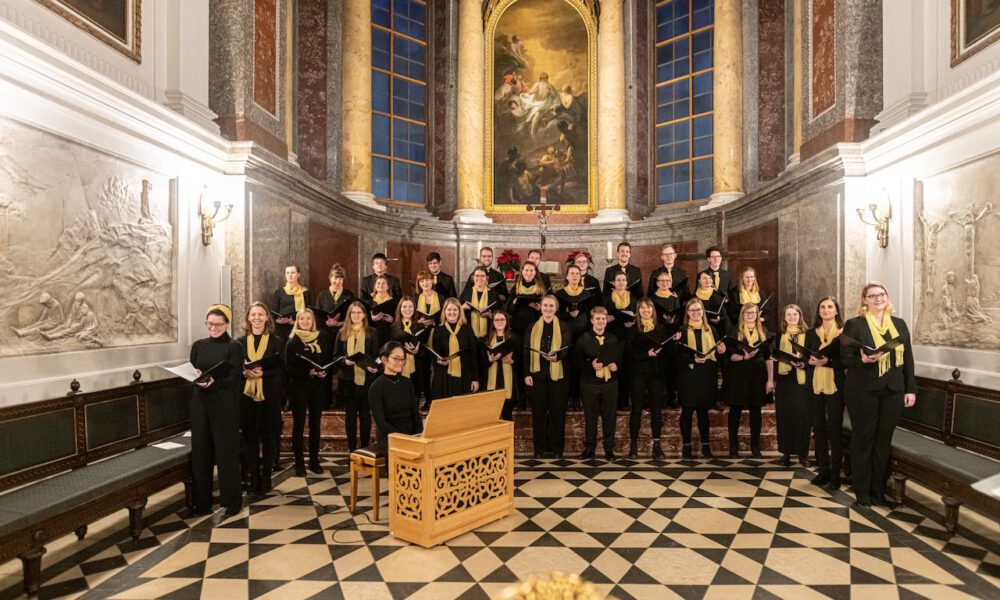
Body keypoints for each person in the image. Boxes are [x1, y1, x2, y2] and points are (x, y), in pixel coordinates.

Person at [841, 283, 916, 509]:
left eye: (881, 295)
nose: (877, 299)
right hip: (862, 390)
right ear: (864, 300)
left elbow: (909, 359)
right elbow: (844, 358)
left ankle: (878, 490)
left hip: (893, 390)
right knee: (863, 439)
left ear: (887, 297)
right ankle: (862, 492)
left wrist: (910, 388)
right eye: (872, 296)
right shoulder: (855, 324)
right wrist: (861, 360)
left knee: (883, 441)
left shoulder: (899, 324)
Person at [189, 304, 243, 516]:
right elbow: (192, 369)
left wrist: (214, 382)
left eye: (218, 324)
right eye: (210, 324)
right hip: (200, 403)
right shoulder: (198, 345)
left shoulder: (234, 346)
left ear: (227, 324)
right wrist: (198, 379)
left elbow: (234, 377)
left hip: (223, 404)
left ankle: (231, 502)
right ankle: (202, 503)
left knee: (225, 453)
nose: (213, 327)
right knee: (201, 452)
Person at [237, 302, 286, 494]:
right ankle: (253, 478)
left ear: (267, 318)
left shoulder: (276, 341)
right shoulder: (239, 343)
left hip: (269, 397)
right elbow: (234, 368)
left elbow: (281, 368)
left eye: (260, 315)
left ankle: (266, 477)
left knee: (269, 438)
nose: (257, 318)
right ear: (248, 318)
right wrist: (245, 373)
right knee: (249, 438)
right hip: (247, 397)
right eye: (253, 315)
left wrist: (262, 373)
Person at [672, 298, 726, 459]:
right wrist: (692, 359)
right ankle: (687, 445)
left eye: (698, 310)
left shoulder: (712, 330)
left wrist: (722, 351)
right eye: (692, 310)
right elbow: (675, 358)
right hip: (687, 375)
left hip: (707, 375)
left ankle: (705, 445)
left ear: (703, 312)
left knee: (703, 412)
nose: (696, 313)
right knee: (687, 411)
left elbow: (719, 355)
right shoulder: (681, 330)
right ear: (687, 313)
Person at [721, 303, 772, 458]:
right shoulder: (734, 331)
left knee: (756, 411)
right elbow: (729, 355)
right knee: (735, 411)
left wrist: (770, 380)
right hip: (738, 374)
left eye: (753, 313)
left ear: (758, 315)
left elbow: (769, 358)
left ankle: (755, 447)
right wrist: (744, 356)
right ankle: (733, 447)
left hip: (758, 374)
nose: (750, 315)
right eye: (747, 313)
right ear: (742, 314)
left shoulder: (763, 331)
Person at [285, 308, 332, 475]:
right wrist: (308, 373)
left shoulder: (321, 339)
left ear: (313, 321)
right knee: (298, 426)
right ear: (298, 321)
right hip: (299, 388)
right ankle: (299, 464)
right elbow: (289, 368)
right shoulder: (293, 341)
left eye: (308, 319)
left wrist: (324, 371)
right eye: (302, 319)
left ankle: (314, 461)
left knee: (315, 425)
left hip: (317, 388)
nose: (306, 322)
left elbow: (326, 360)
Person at [523, 295, 572, 458]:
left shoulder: (564, 326)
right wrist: (526, 373)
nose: (548, 309)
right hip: (537, 375)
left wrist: (557, 356)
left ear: (556, 308)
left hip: (558, 376)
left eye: (551, 306)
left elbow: (566, 347)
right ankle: (539, 449)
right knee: (539, 413)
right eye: (545, 305)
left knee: (558, 412)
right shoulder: (532, 326)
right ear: (540, 307)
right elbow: (526, 350)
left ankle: (557, 449)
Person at [805, 296, 845, 490]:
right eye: (823, 307)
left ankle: (836, 475)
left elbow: (847, 361)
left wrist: (827, 362)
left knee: (835, 430)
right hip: (815, 386)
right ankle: (823, 471)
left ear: (836, 311)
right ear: (819, 311)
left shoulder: (844, 333)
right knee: (819, 429)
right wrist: (809, 361)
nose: (826, 310)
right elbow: (806, 357)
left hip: (836, 387)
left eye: (830, 307)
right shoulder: (811, 333)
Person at [574, 307, 622, 460]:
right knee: (590, 417)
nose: (601, 321)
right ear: (592, 320)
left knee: (610, 417)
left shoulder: (613, 338)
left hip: (610, 383)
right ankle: (589, 449)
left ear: (606, 320)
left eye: (603, 319)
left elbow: (619, 360)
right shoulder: (583, 338)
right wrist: (591, 366)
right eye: (598, 319)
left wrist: (616, 366)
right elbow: (575, 362)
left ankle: (609, 450)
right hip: (589, 383)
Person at [334, 302, 381, 452]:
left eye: (359, 312)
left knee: (366, 416)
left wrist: (375, 367)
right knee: (350, 417)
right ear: (349, 315)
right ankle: (352, 450)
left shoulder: (372, 332)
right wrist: (344, 361)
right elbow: (335, 356)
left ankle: (365, 449)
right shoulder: (342, 332)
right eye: (353, 312)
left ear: (364, 315)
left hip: (367, 379)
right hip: (348, 380)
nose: (356, 315)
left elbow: (377, 356)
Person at [626, 299, 668, 459]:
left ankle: (657, 446)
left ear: (652, 310)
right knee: (636, 409)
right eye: (642, 308)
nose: (645, 310)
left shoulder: (661, 329)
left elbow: (666, 353)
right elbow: (629, 353)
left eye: (648, 307)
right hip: (638, 374)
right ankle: (634, 445)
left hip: (656, 374)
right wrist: (646, 354)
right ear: (638, 311)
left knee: (656, 410)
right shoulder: (633, 330)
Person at [369, 342, 424, 455]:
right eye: (396, 359)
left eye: (403, 359)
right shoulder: (376, 387)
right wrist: (402, 438)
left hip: (411, 435)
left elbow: (415, 412)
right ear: (384, 359)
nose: (400, 363)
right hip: (390, 438)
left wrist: (419, 434)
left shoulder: (407, 382)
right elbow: (381, 422)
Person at [774, 304, 811, 468]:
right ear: (784, 318)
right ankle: (786, 454)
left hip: (802, 380)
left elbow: (812, 356)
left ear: (800, 316)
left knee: (803, 417)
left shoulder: (808, 335)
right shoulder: (779, 335)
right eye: (788, 315)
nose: (791, 318)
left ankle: (803, 454)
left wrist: (804, 364)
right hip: (785, 381)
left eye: (794, 315)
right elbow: (774, 355)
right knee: (785, 417)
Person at [556, 264, 597, 410]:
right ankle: (567, 397)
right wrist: (568, 314)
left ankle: (578, 397)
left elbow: (589, 314)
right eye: (572, 273)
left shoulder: (586, 294)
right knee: (566, 366)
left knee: (580, 365)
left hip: (582, 334)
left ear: (580, 277)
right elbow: (556, 314)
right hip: (565, 334)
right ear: (567, 276)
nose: (574, 276)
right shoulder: (560, 294)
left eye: (577, 274)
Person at [428, 297, 481, 399]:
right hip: (445, 376)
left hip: (465, 375)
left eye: (455, 310)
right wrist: (439, 361)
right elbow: (435, 354)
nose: (452, 312)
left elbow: (474, 355)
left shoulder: (467, 329)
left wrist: (475, 379)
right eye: (449, 309)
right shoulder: (438, 330)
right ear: (444, 312)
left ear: (459, 312)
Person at [483, 310, 521, 421]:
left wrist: (512, 361)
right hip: (491, 377)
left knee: (507, 413)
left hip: (508, 378)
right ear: (493, 322)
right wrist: (489, 360)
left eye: (502, 319)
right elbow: (480, 362)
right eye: (496, 319)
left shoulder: (514, 337)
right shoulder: (487, 339)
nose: (499, 322)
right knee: (491, 415)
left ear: (507, 321)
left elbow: (520, 360)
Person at [389, 296, 423, 394]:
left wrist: (417, 351)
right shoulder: (393, 328)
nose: (407, 309)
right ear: (400, 309)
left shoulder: (420, 327)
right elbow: (388, 348)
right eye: (404, 307)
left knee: (414, 394)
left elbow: (426, 350)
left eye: (410, 307)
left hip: (416, 367)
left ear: (414, 309)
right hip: (397, 367)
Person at [270, 265, 311, 340]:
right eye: (287, 273)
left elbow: (310, 312)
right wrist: (278, 320)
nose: (290, 275)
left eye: (292, 273)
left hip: (300, 327)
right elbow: (273, 312)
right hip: (281, 328)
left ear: (298, 275)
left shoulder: (305, 292)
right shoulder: (279, 292)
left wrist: (295, 322)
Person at [460, 266, 500, 341]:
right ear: (473, 277)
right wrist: (462, 307)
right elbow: (457, 311)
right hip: (469, 333)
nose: (479, 278)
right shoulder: (466, 292)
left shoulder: (493, 294)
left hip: (489, 334)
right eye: (477, 276)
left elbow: (501, 313)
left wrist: (490, 315)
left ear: (487, 277)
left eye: (482, 276)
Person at [506, 261, 545, 335]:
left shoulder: (540, 288)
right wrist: (514, 303)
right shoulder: (516, 288)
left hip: (535, 321)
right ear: (522, 271)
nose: (529, 273)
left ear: (535, 272)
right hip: (518, 322)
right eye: (526, 270)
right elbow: (509, 310)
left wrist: (540, 309)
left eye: (531, 270)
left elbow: (546, 309)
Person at [315, 264, 355, 335]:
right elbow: (316, 316)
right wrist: (326, 323)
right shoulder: (322, 295)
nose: (338, 281)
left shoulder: (349, 294)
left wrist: (342, 323)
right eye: (335, 278)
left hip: (345, 331)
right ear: (330, 278)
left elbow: (354, 314)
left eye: (340, 279)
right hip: (325, 332)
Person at [366, 275, 396, 346]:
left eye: (383, 283)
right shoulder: (369, 303)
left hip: (390, 335)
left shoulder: (394, 302)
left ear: (388, 286)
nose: (381, 285)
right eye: (378, 283)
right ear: (375, 287)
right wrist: (372, 318)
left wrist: (393, 319)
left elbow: (400, 318)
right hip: (373, 335)